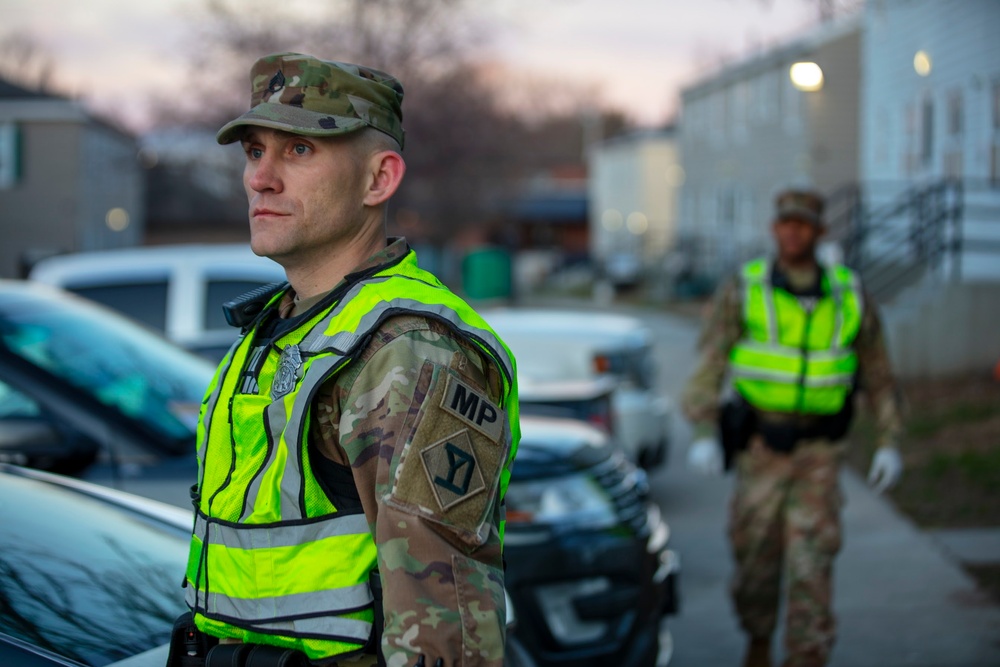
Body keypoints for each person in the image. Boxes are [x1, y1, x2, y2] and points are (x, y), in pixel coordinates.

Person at [181, 52, 520, 667]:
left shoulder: (407, 350)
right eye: (255, 151)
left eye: (300, 151)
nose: (261, 178)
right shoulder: (281, 325)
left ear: (378, 180)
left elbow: (450, 637)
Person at [681, 189, 905, 667]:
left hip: (819, 457)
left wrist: (889, 441)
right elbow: (710, 361)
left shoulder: (850, 293)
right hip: (760, 451)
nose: (793, 231)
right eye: (786, 222)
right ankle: (758, 640)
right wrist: (702, 433)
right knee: (755, 566)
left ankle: (806, 655)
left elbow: (881, 374)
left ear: (820, 231)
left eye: (803, 223)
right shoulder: (745, 287)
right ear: (774, 227)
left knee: (812, 566)